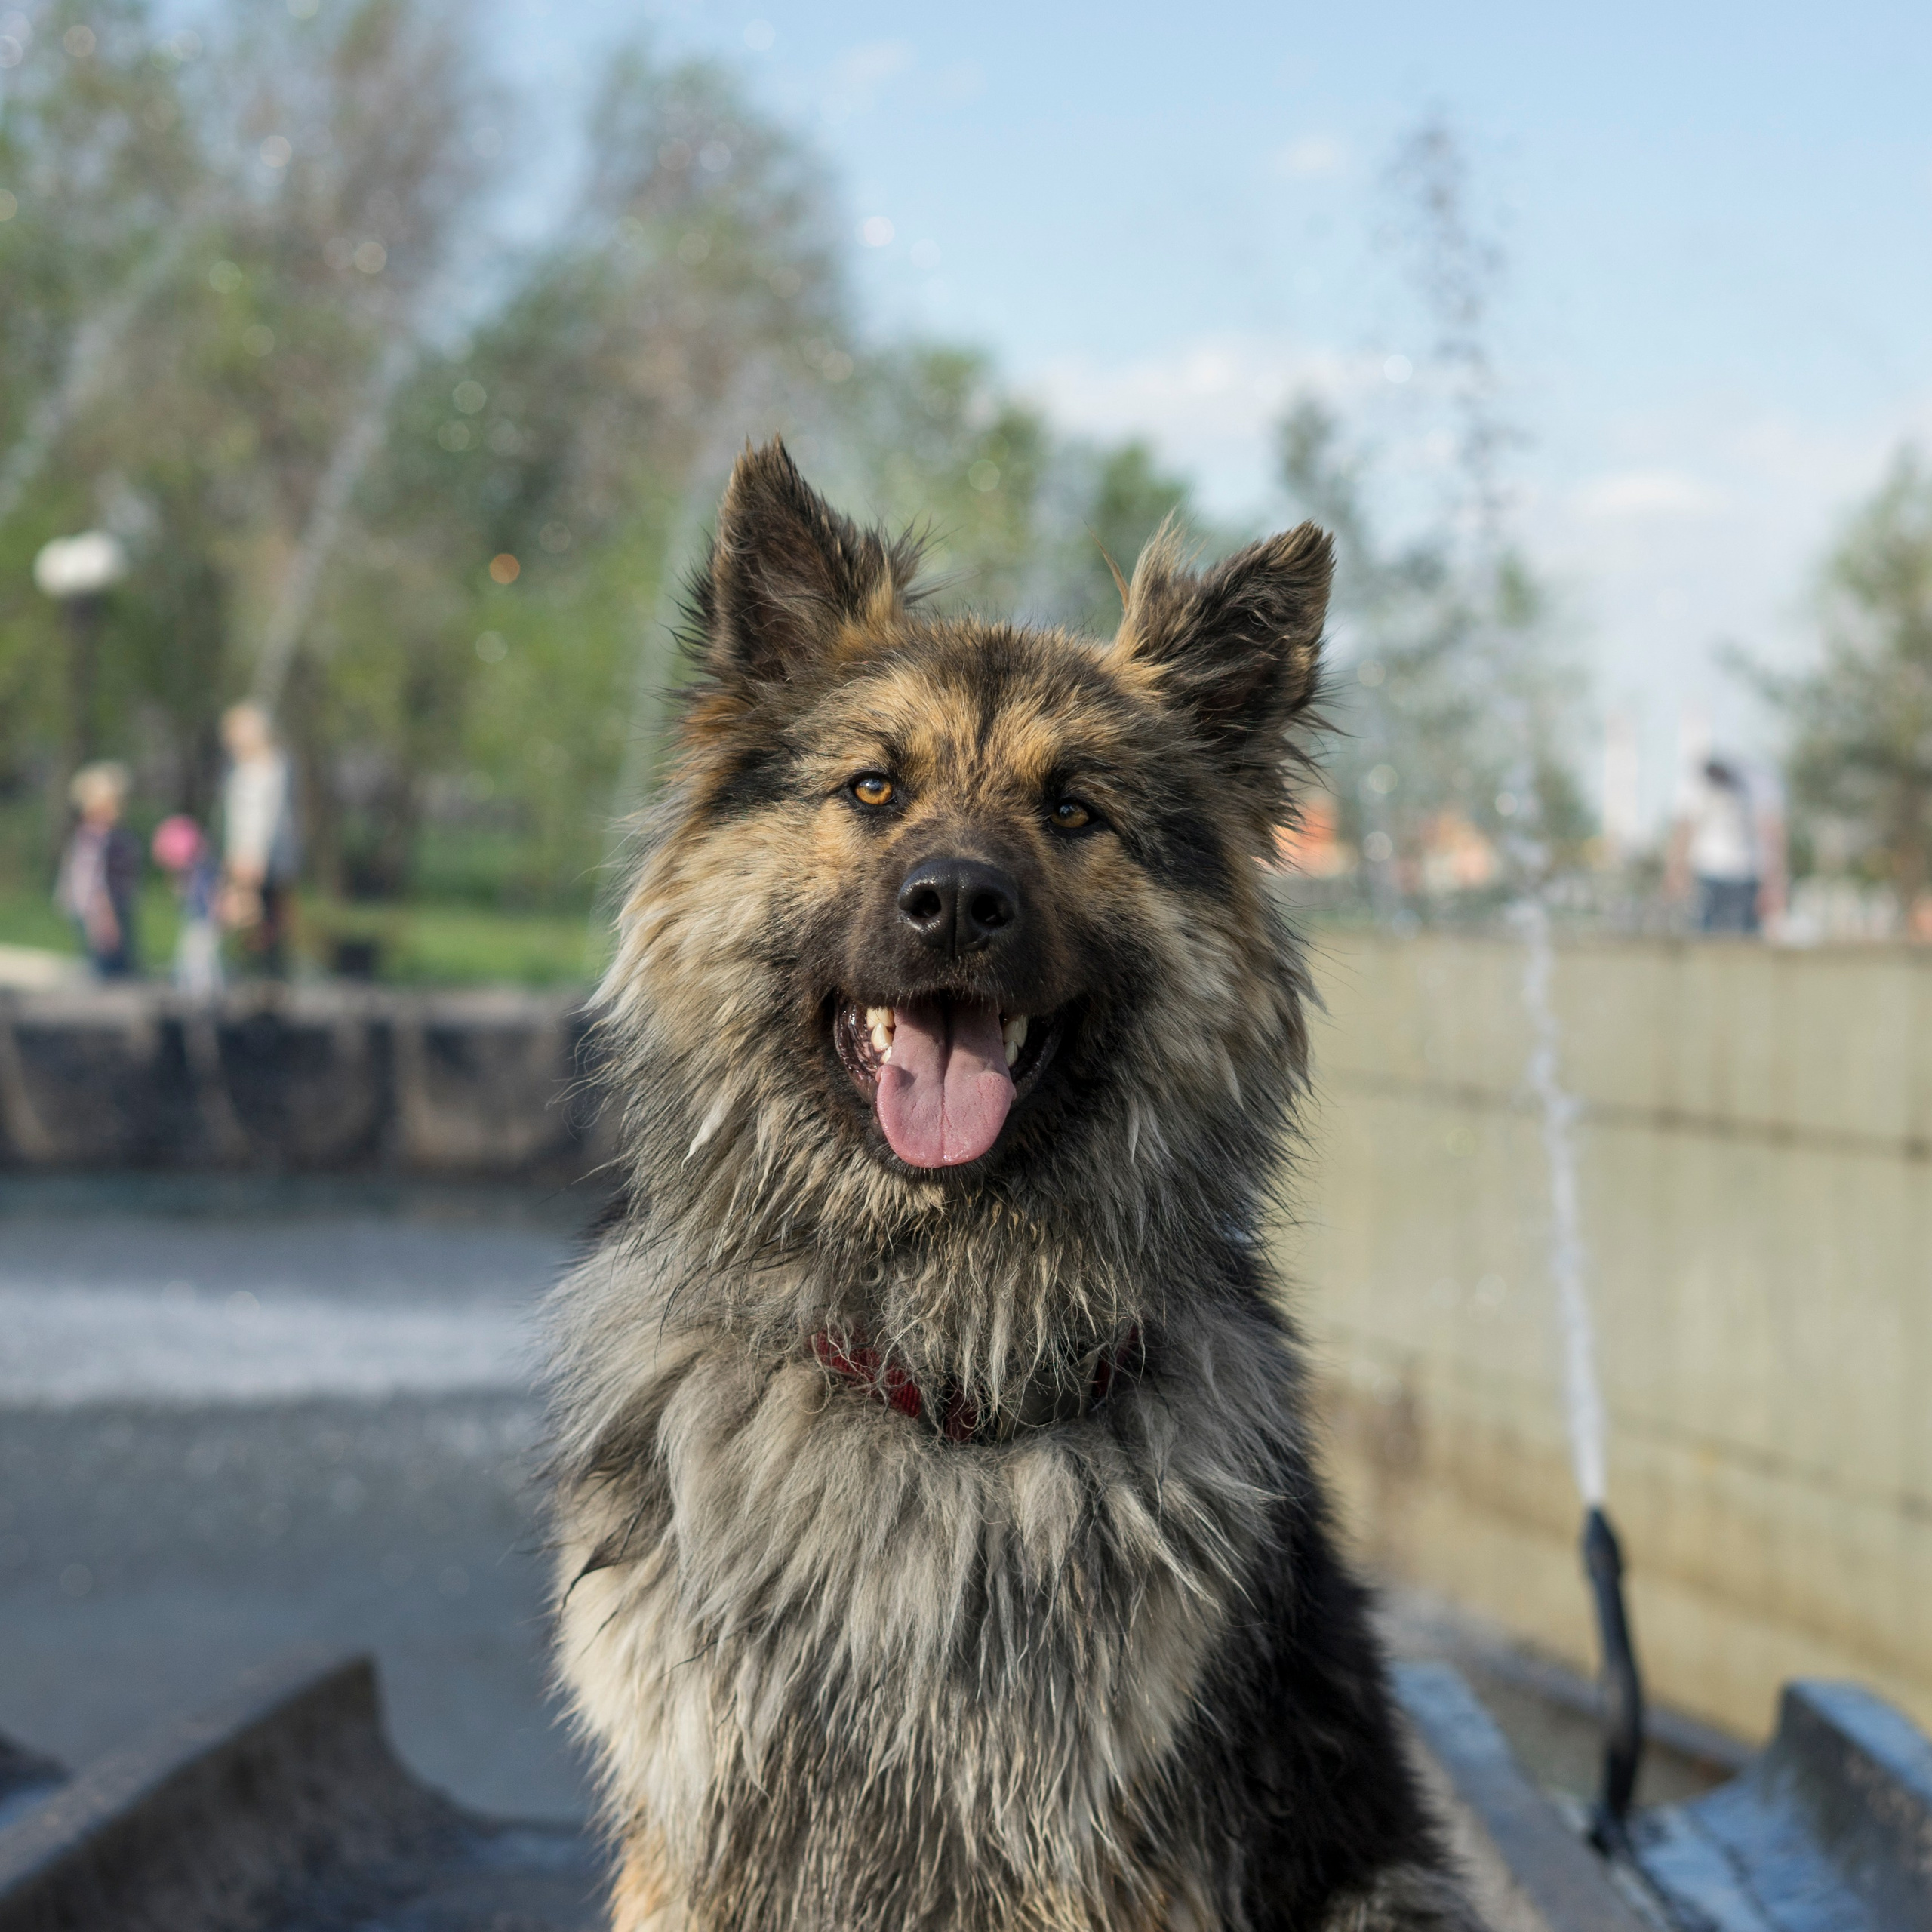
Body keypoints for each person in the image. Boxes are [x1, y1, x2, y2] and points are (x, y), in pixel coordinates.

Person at [218, 701, 300, 975]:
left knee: (268, 915)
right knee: (245, 916)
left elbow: (268, 817)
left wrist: (256, 855)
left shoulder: (270, 768)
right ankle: (249, 970)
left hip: (266, 856)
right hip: (245, 853)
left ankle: (271, 975)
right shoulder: (243, 769)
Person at [1666, 754, 1787, 935]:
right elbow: (1685, 829)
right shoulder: (1698, 785)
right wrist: (1676, 869)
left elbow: (1772, 835)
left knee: (1747, 937)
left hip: (1747, 874)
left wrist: (1774, 883)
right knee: (1703, 935)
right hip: (1707, 871)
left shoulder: (1756, 786)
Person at [54, 762, 141, 977]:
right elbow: (93, 882)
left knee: (118, 960)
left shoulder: (107, 835)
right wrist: (105, 918)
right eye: (115, 804)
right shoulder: (95, 839)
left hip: (114, 904)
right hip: (100, 910)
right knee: (108, 962)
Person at [151, 814, 223, 995]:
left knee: (199, 953)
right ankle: (195, 986)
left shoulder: (200, 875)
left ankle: (203, 989)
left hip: (204, 919)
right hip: (198, 918)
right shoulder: (200, 871)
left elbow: (208, 898)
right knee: (195, 952)